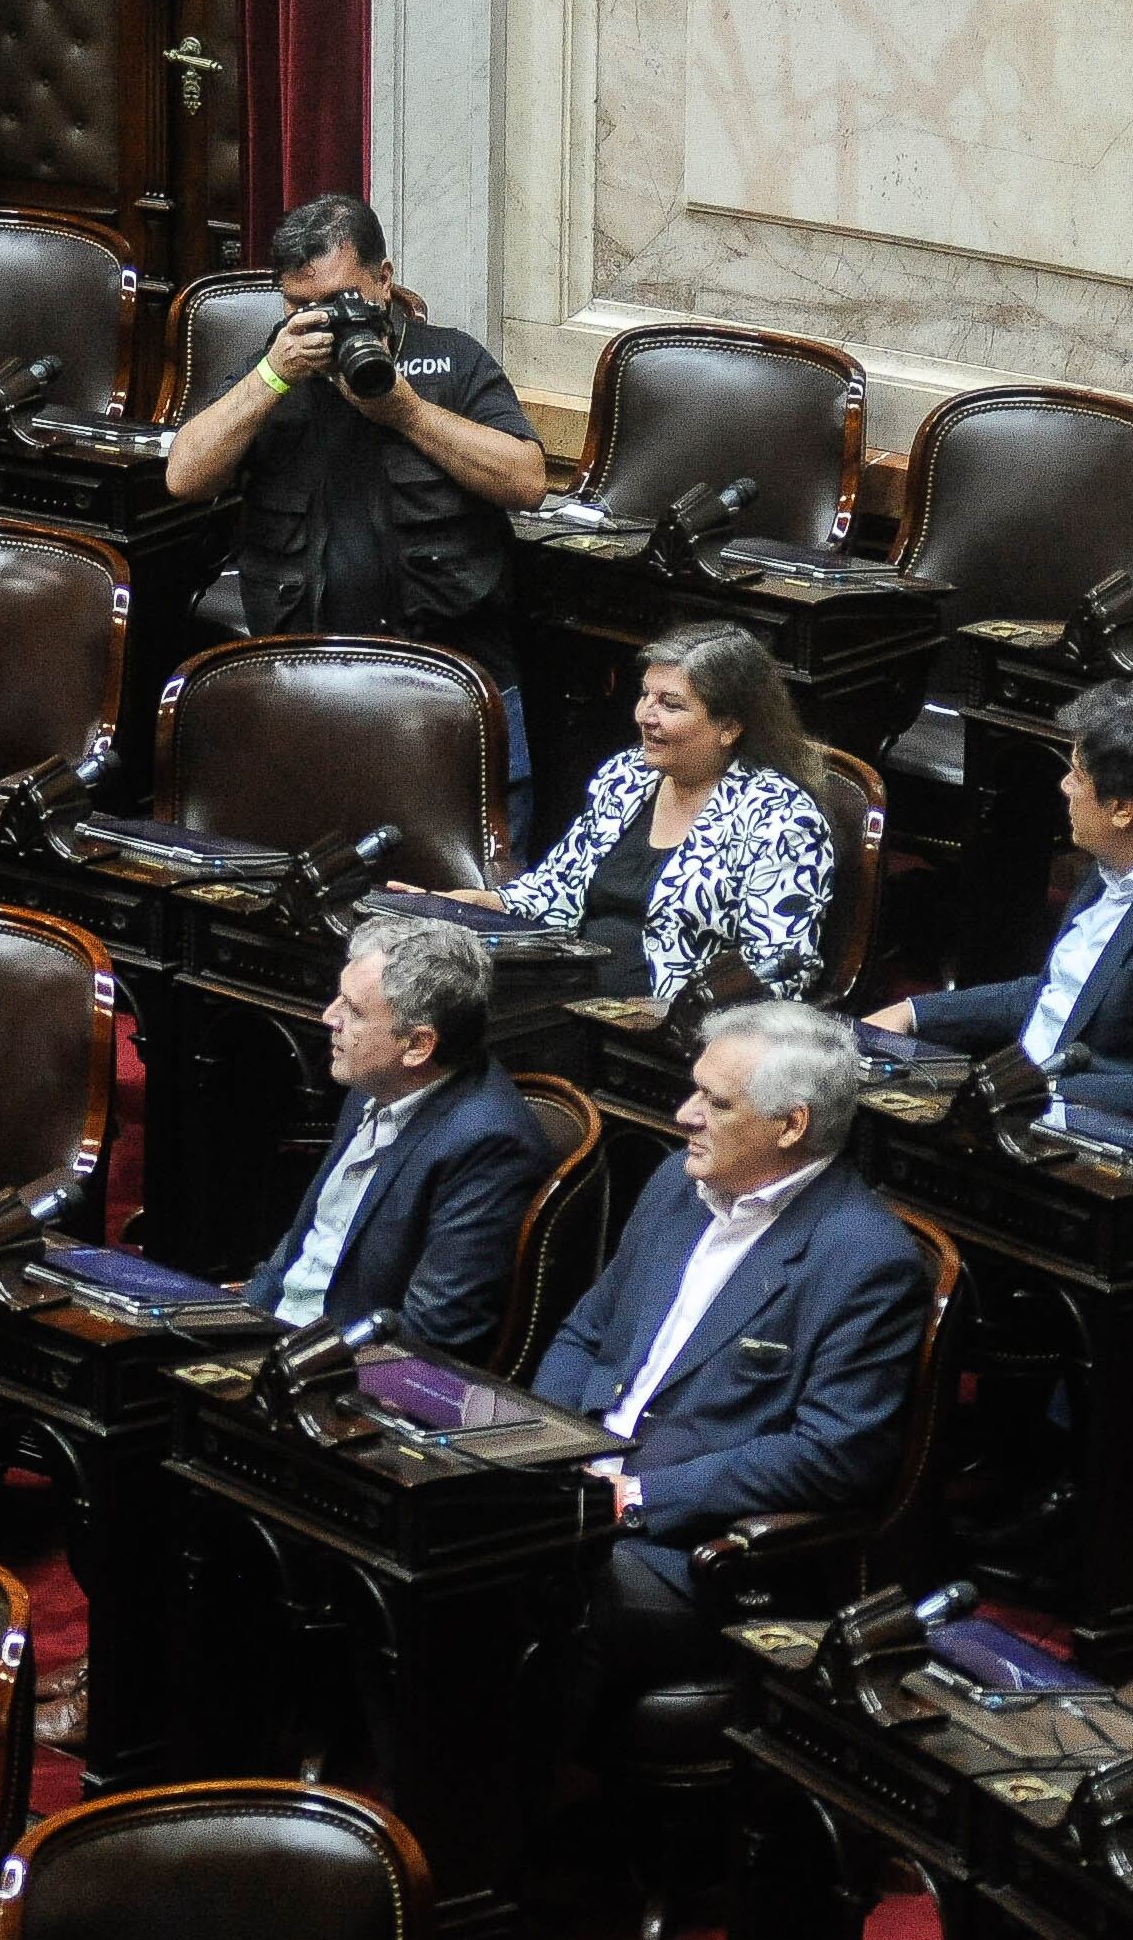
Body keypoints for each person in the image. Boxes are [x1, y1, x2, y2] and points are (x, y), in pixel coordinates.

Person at [536, 1000, 935, 1710]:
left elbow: (833, 1453)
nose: (686, 1114)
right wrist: (544, 1448)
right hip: (576, 1490)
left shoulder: (865, 1259)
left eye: (715, 1102)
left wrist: (640, 1498)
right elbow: (585, 1334)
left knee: (521, 1590)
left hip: (693, 1555)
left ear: (791, 1124)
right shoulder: (676, 1184)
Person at [165, 193, 548, 711]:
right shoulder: (275, 370)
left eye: (341, 298)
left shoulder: (452, 358)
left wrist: (407, 413)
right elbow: (184, 478)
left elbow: (527, 482)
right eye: (300, 305)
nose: (322, 320)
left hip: (452, 671)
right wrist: (273, 376)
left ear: (383, 280)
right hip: (303, 669)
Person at [867, 677, 1133, 1136]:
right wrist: (913, 1013)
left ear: (1122, 809)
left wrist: (1040, 1096)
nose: (1063, 786)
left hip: (1085, 1137)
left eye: (1078, 775)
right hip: (1017, 1103)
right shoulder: (1118, 856)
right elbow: (1055, 993)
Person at [240, 916, 554, 1355]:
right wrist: (236, 1327)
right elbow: (302, 1247)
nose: (329, 1017)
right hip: (273, 1337)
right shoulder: (375, 1082)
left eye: (353, 1010)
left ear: (418, 1046)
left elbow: (430, 1333)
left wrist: (284, 1366)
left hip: (340, 1377)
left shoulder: (490, 1145)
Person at [498, 622, 839, 1005]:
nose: (645, 715)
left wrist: (678, 1010)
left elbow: (782, 966)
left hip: (665, 1022)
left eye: (670, 704)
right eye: (645, 696)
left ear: (729, 727)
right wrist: (473, 905)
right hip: (565, 981)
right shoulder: (627, 774)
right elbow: (554, 887)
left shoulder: (783, 820)